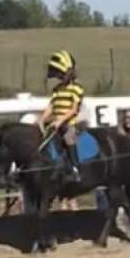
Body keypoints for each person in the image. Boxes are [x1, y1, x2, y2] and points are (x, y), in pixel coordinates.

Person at [38, 50, 85, 182]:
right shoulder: (57, 90)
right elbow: (52, 106)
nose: (58, 77)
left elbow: (74, 109)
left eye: (60, 74)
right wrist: (42, 119)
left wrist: (61, 121)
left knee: (68, 138)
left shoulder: (76, 89)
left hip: (69, 123)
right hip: (56, 123)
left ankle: (75, 169)